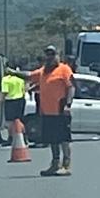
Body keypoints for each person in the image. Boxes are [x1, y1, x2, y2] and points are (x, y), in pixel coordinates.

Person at [29, 46, 75, 177]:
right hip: (48, 113)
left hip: (61, 111)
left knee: (64, 139)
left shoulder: (64, 69)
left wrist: (68, 104)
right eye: (47, 55)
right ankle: (55, 164)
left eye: (52, 54)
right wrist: (12, 72)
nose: (50, 57)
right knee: (52, 140)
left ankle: (66, 165)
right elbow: (29, 76)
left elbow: (71, 87)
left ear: (58, 55)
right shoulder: (43, 71)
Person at [0, 67, 27, 142]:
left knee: (10, 121)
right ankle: (24, 137)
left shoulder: (5, 79)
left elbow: (5, 92)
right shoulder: (20, 79)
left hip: (10, 101)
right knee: (20, 120)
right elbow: (24, 89)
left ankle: (10, 138)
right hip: (20, 100)